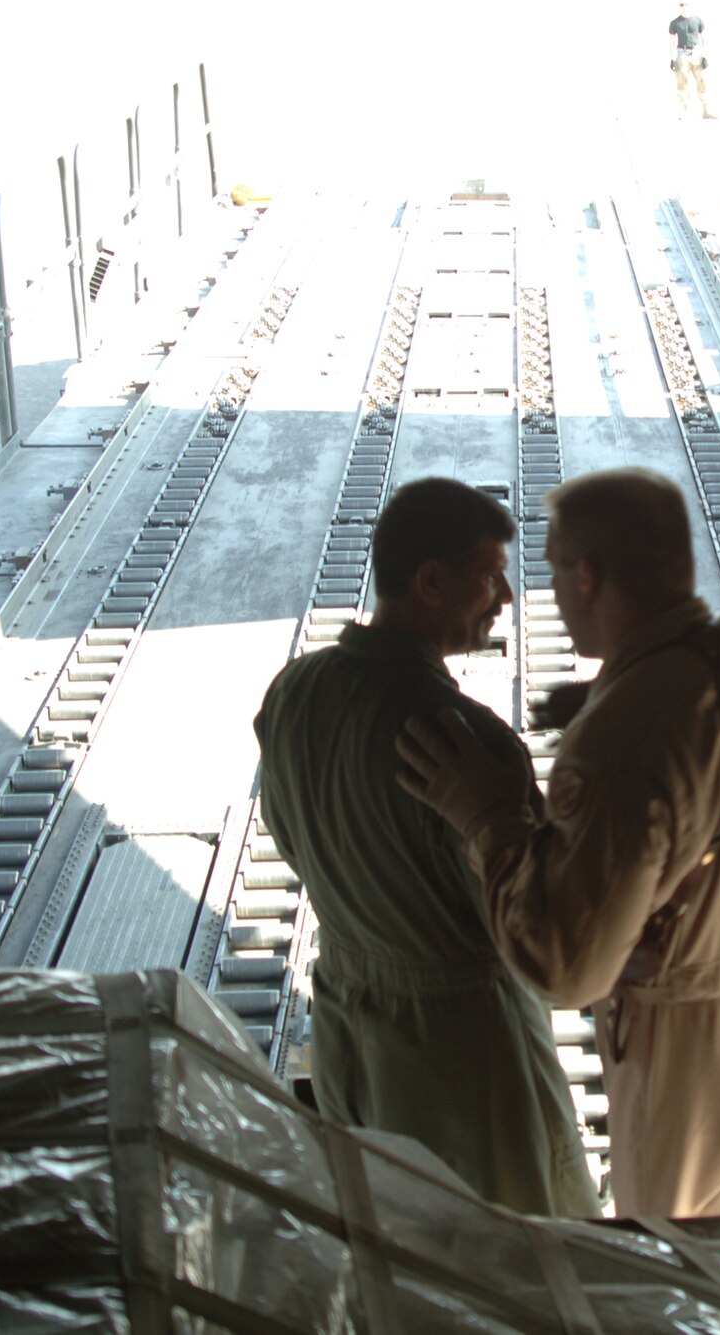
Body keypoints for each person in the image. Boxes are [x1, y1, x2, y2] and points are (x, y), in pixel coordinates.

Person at [396, 467, 720, 1219]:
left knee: (693, 1292)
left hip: (709, 1067)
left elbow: (567, 964)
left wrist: (487, 815)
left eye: (549, 569)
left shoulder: (622, 743)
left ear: (588, 576)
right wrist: (620, 690)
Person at [252, 477, 599, 1219]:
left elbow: (287, 832)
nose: (505, 596)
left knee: (389, 1246)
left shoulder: (293, 694)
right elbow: (541, 930)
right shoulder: (468, 741)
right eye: (490, 576)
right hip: (468, 1056)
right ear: (433, 582)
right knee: (512, 1263)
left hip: (351, 1024)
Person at [667, 0, 714, 119]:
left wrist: (705, 56)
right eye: (681, 5)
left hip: (696, 53)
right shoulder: (675, 23)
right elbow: (672, 42)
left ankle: (706, 110)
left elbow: (704, 39)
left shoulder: (697, 21)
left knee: (702, 81)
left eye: (686, 4)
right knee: (682, 81)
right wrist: (672, 59)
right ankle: (685, 110)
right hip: (682, 53)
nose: (684, 7)